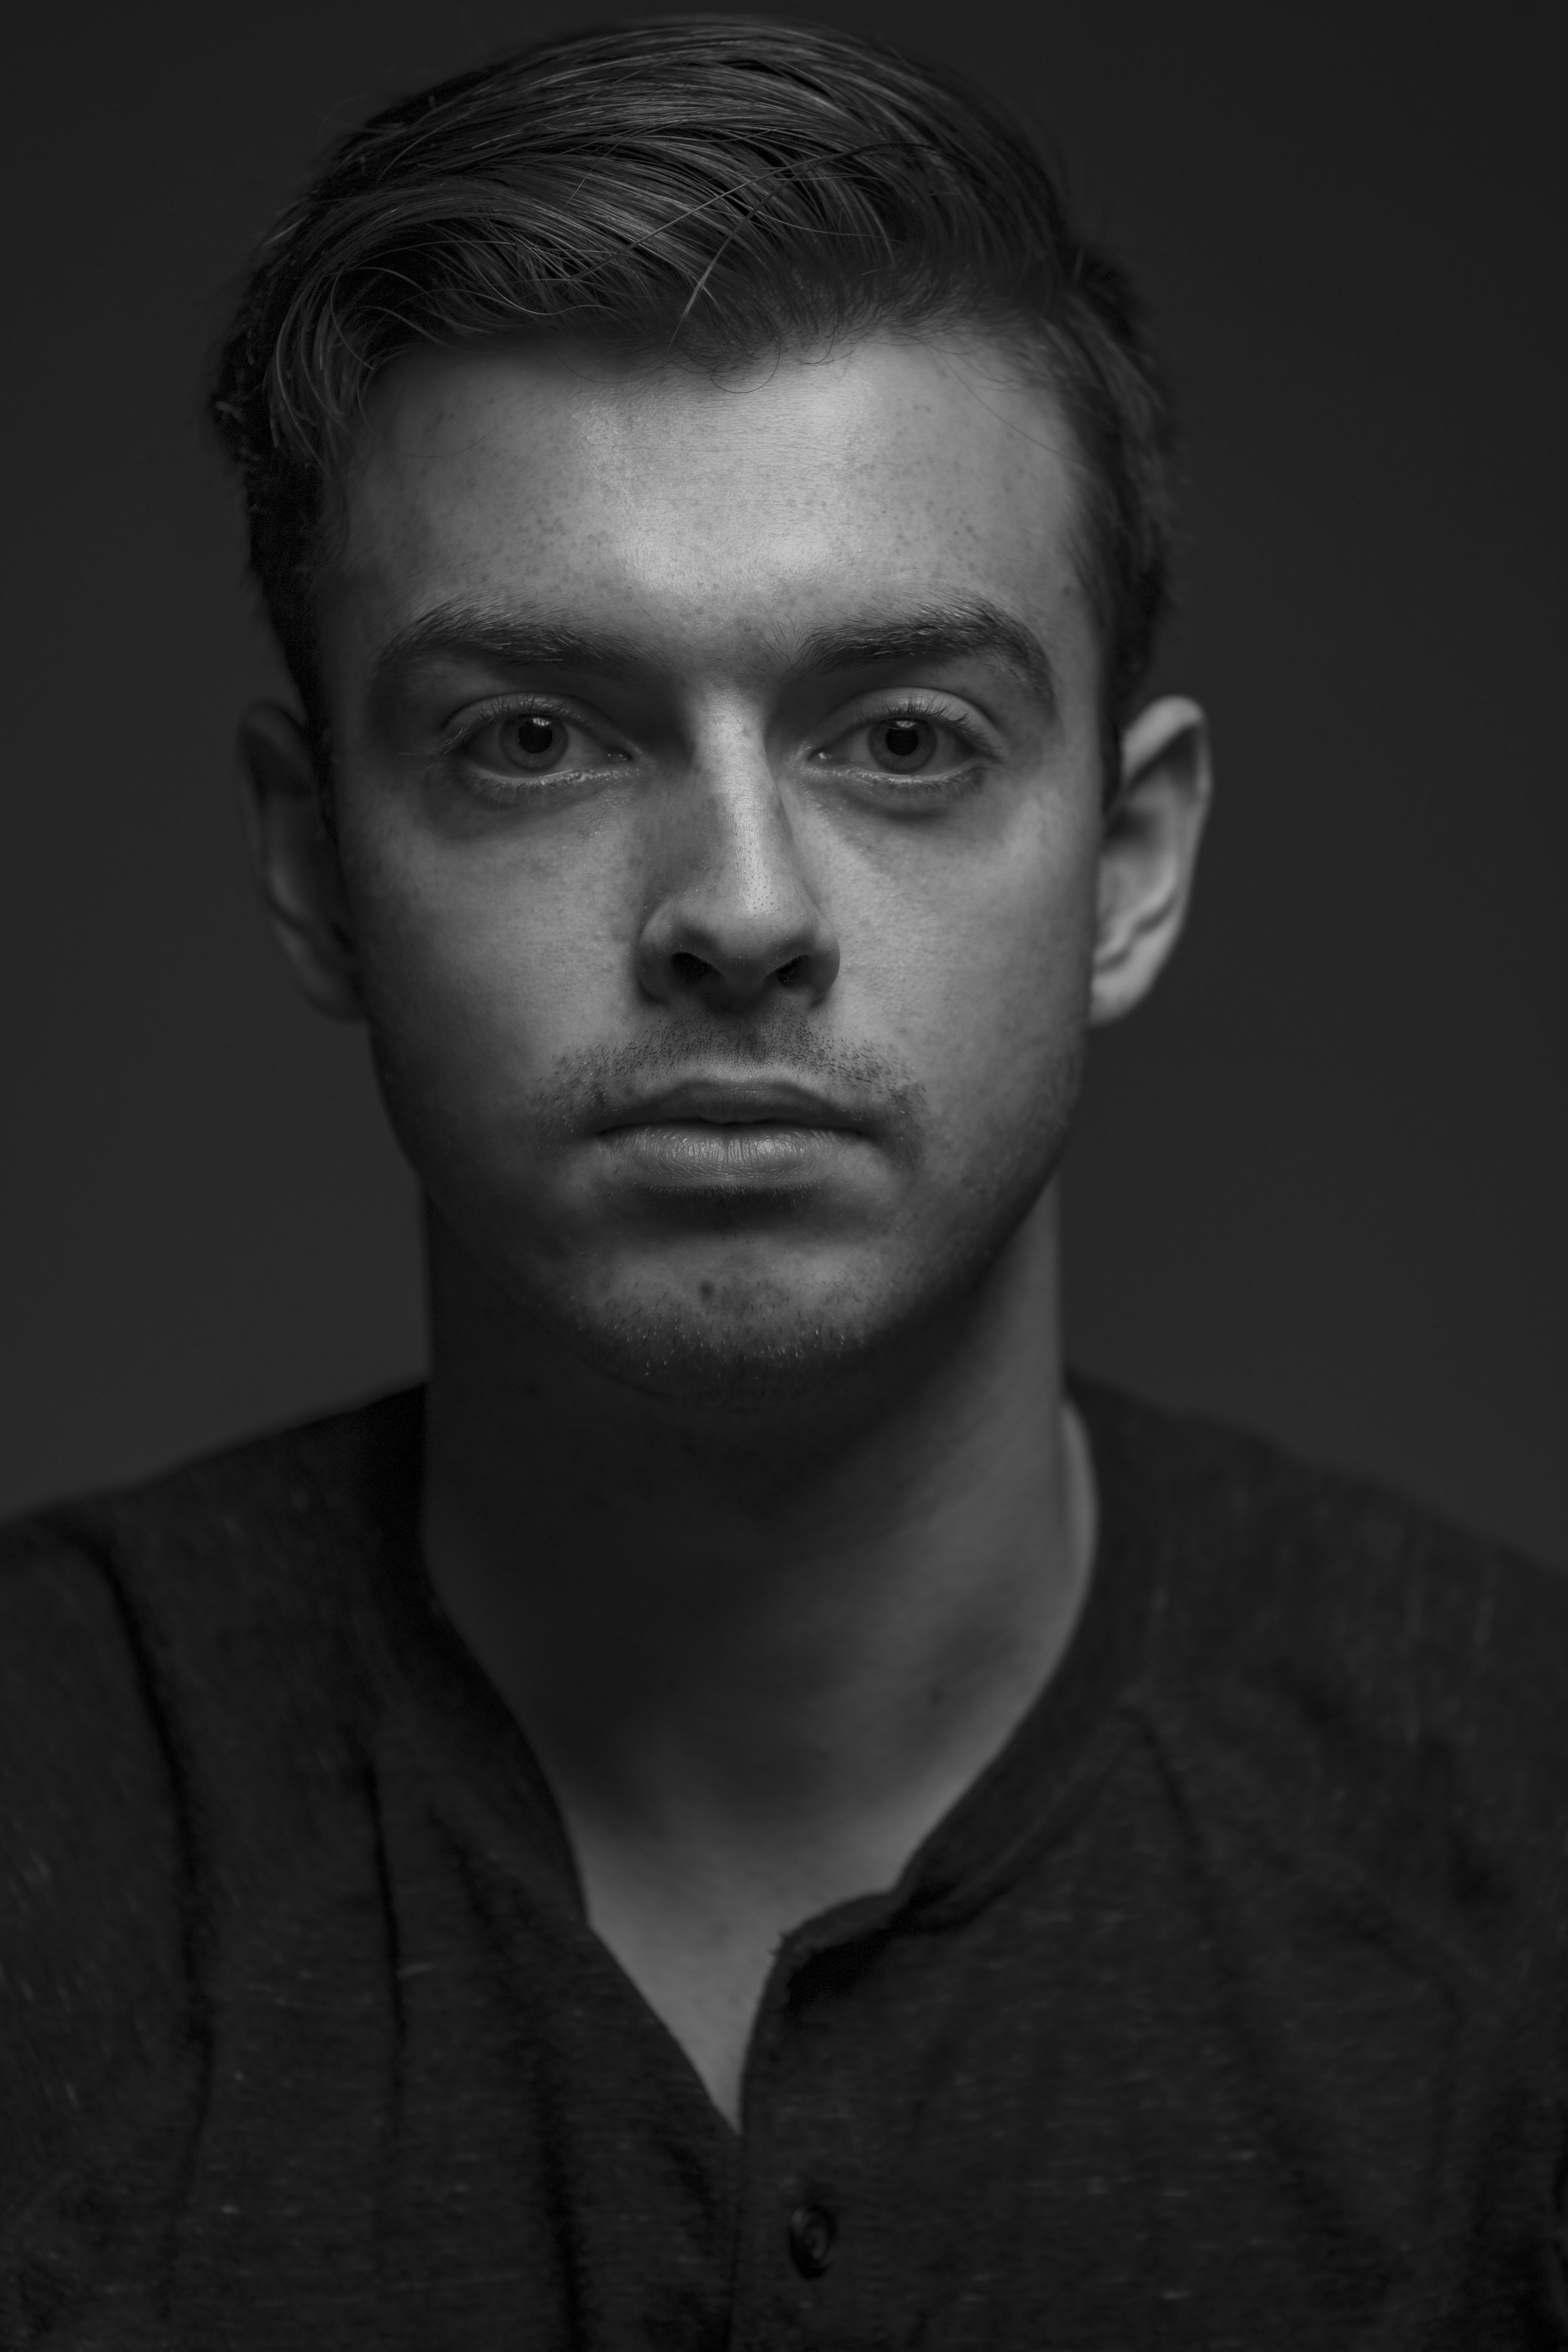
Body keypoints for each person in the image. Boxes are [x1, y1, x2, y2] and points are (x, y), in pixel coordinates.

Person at [2, 15, 1564, 2343]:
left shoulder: (1520, 1854)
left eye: (904, 737)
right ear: (314, 863)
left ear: (1125, 868)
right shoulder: (49, 1818)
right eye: (532, 738)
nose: (739, 906)